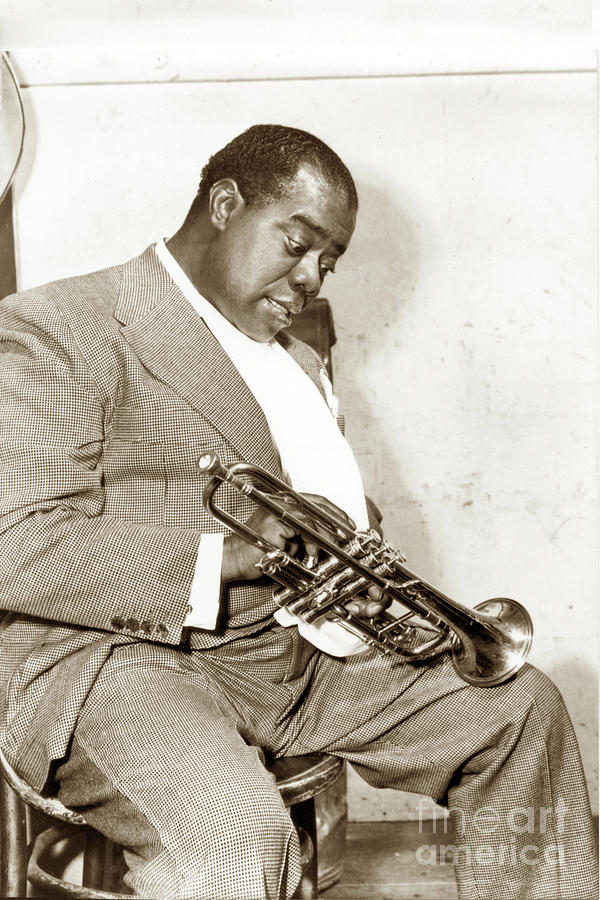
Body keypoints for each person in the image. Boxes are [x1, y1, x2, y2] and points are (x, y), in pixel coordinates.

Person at [0, 124, 596, 900]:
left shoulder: (297, 360)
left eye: (330, 261)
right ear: (224, 204)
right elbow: (15, 543)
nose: (313, 276)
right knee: (235, 834)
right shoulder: (59, 325)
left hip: (285, 657)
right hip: (117, 660)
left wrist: (350, 540)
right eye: (298, 242)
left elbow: (314, 505)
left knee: (522, 710)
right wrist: (233, 554)